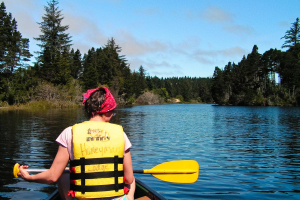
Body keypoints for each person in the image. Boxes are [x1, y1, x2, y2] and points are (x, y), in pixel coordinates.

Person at [18, 87, 135, 200]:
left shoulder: (69, 132)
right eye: (112, 112)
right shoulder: (121, 134)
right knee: (133, 179)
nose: (112, 115)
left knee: (63, 174)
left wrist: (29, 177)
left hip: (83, 197)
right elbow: (128, 179)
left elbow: (52, 176)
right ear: (107, 111)